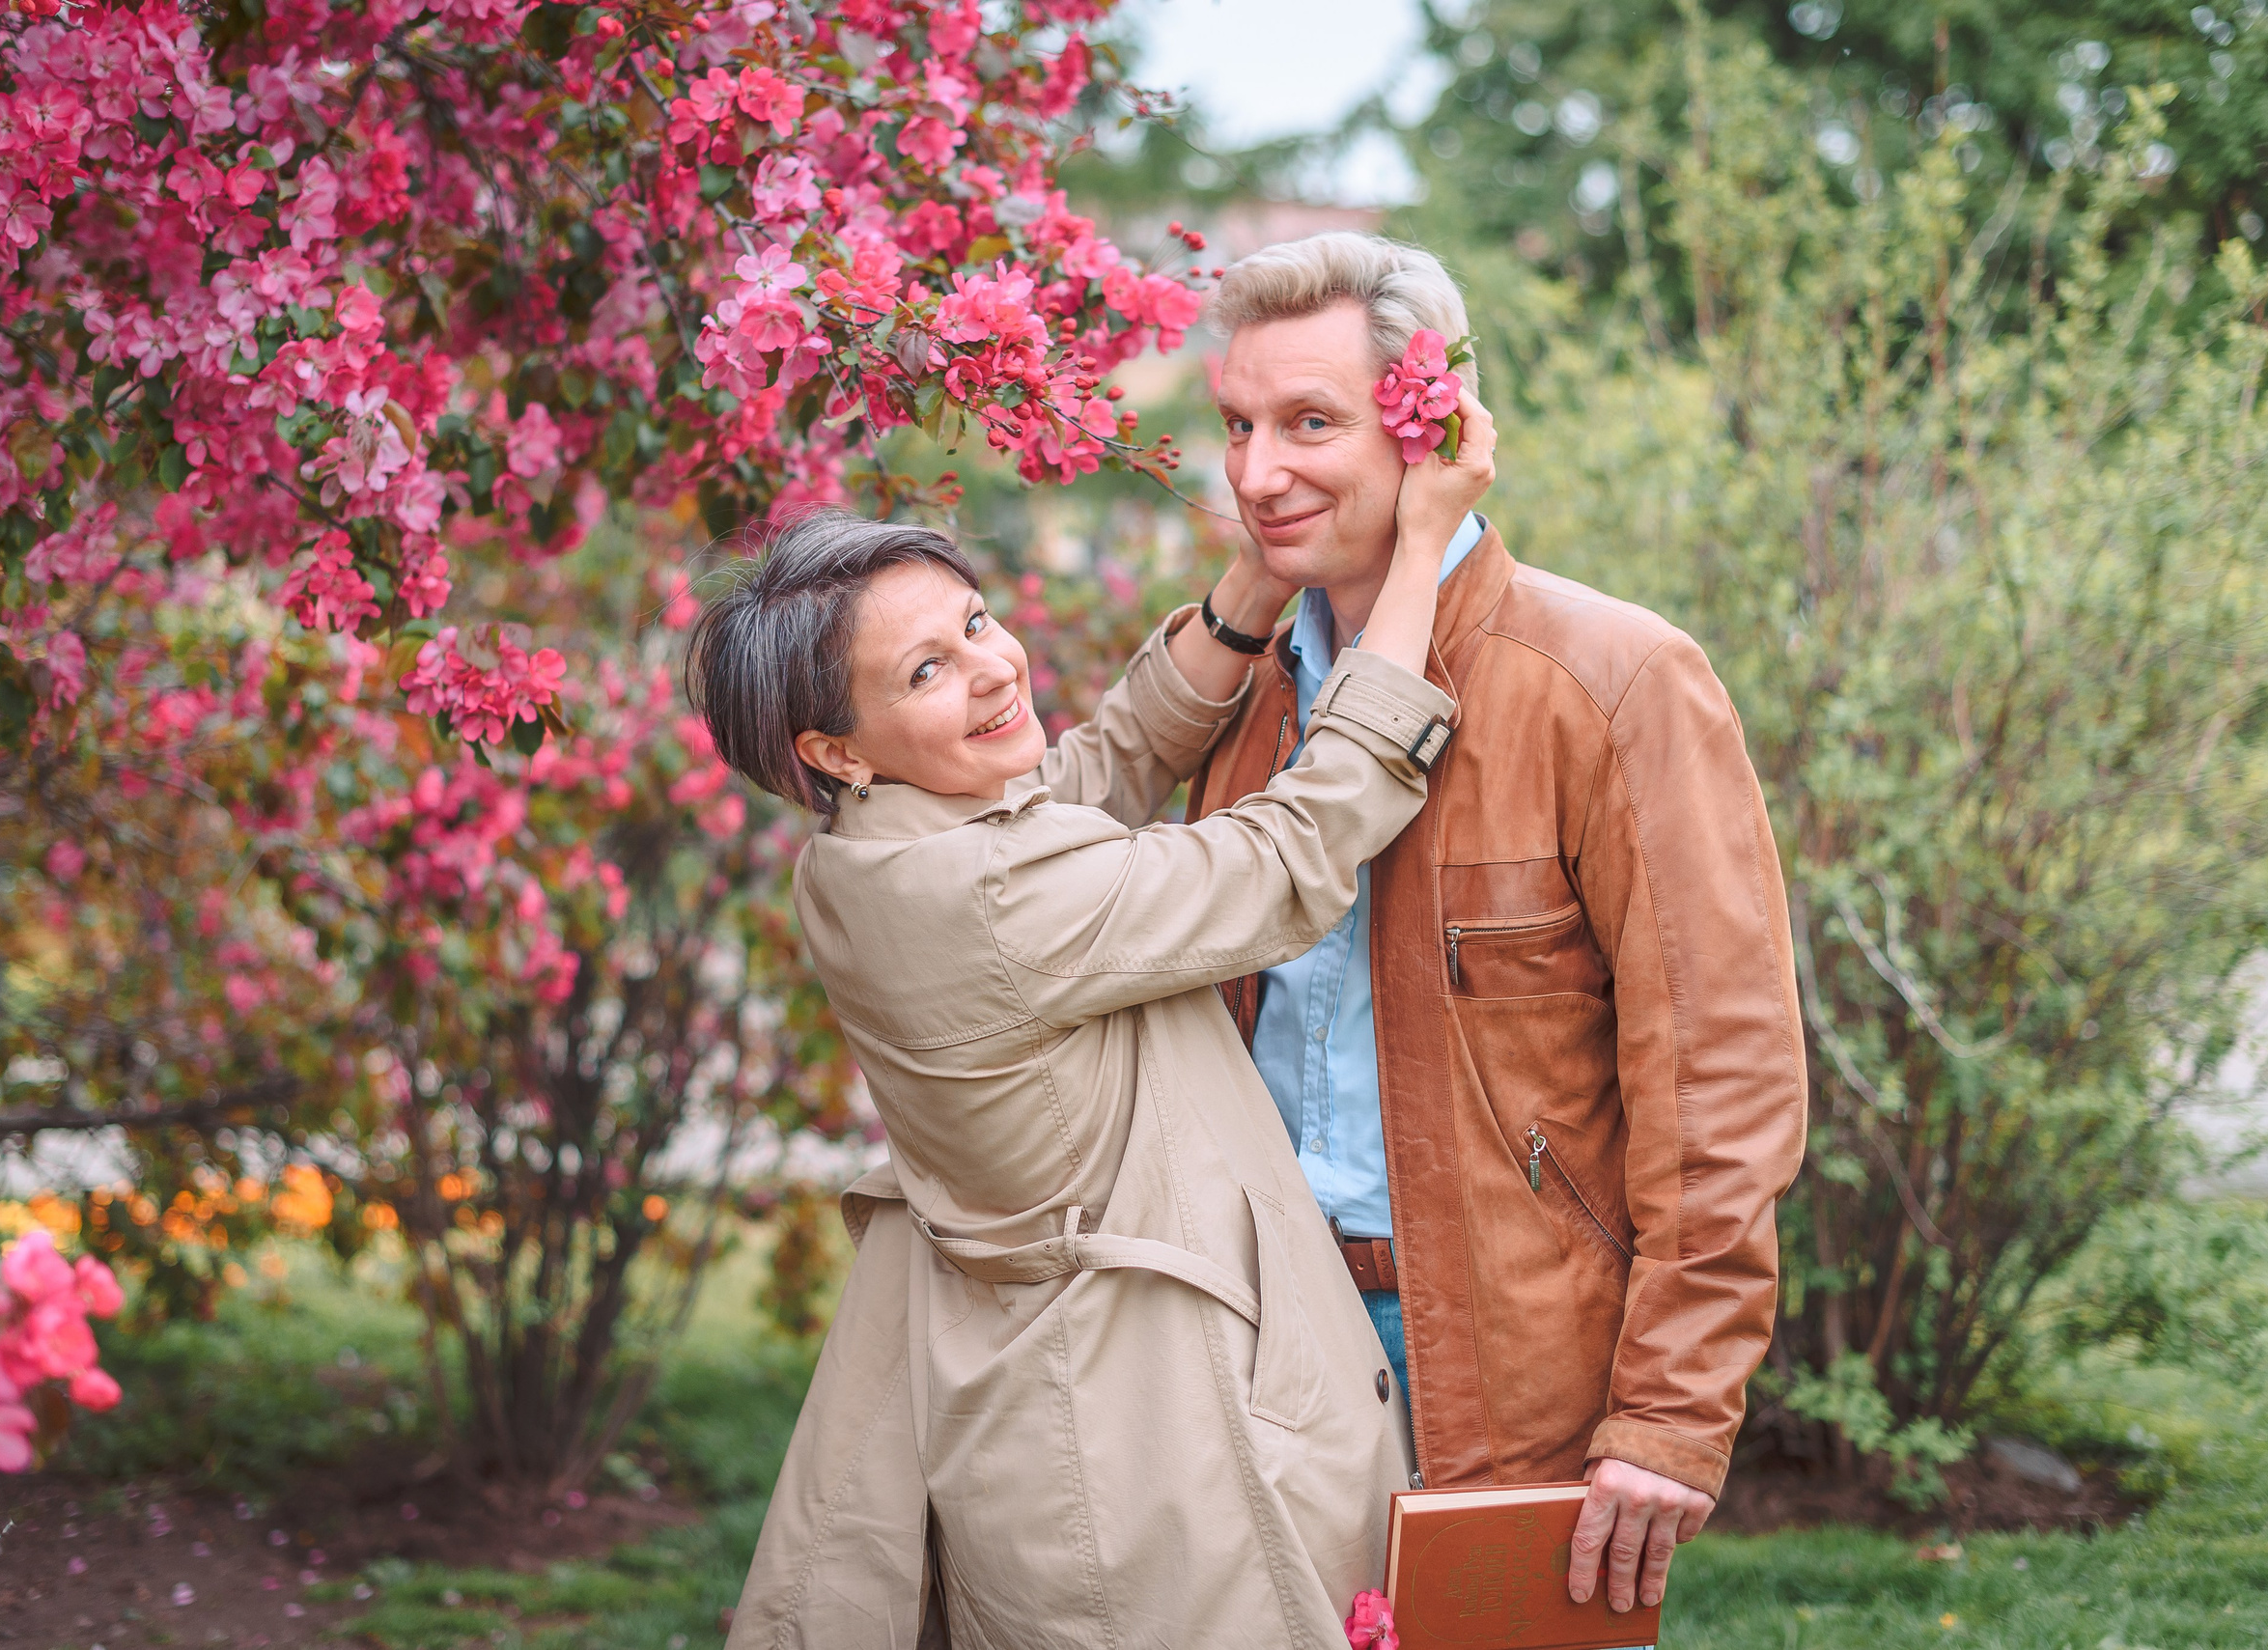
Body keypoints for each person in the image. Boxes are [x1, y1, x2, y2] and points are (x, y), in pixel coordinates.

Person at [696, 394, 1497, 1648]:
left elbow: (1093, 775)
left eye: (973, 622)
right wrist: (1422, 553)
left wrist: (1255, 578)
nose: (990, 668)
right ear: (835, 750)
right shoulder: (983, 896)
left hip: (1053, 1405)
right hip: (1138, 1439)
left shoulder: (869, 850)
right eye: (925, 671)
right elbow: (1288, 855)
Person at [1189, 231, 1808, 1619]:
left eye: (1309, 424)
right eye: (1237, 424)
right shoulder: (1238, 692)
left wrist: (1671, 1411)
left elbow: (1722, 1079)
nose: (1256, 473)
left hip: (1512, 1364)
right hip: (1251, 1338)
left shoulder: (1613, 678)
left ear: (1429, 426)